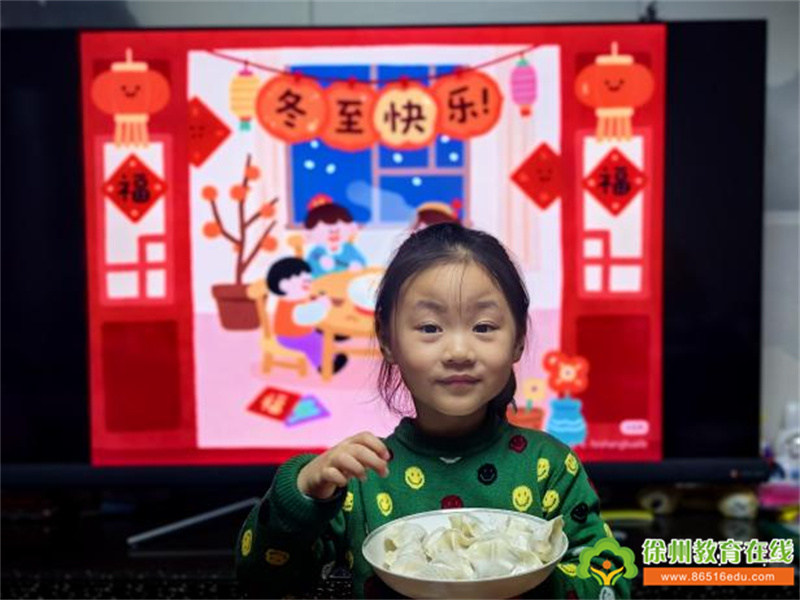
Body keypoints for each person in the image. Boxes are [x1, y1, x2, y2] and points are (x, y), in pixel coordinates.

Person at [237, 224, 629, 599]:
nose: (458, 352)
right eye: (429, 328)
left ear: (518, 340)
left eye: (484, 326)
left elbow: (612, 578)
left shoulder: (549, 467)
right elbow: (262, 583)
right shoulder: (362, 477)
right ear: (387, 340)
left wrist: (527, 582)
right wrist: (304, 491)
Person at [267, 256, 348, 375]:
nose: (309, 284)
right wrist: (323, 305)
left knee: (319, 333)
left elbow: (307, 310)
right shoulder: (291, 306)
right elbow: (308, 315)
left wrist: (318, 302)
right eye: (304, 282)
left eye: (309, 280)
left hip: (300, 331)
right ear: (284, 285)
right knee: (315, 343)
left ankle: (333, 335)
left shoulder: (294, 298)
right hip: (290, 337)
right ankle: (324, 365)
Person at [304, 194, 367, 278]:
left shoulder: (348, 248)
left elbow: (361, 263)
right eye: (327, 230)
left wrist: (357, 265)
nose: (334, 233)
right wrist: (321, 267)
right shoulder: (315, 253)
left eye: (338, 230)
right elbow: (309, 272)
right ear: (310, 234)